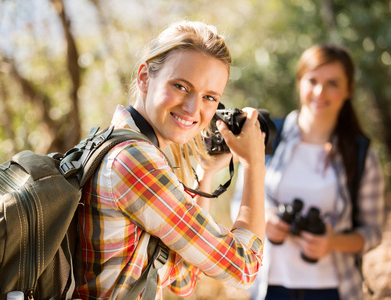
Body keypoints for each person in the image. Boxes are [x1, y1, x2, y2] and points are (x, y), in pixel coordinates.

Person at [73, 20, 267, 299]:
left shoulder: (113, 144)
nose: (193, 109)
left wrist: (207, 173)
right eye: (180, 86)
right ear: (144, 77)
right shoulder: (135, 163)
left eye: (210, 97)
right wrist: (254, 164)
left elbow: (183, 279)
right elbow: (244, 268)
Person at [231, 44, 385, 300]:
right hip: (269, 286)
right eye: (312, 80)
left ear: (348, 90)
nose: (320, 91)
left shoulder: (361, 155)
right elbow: (239, 202)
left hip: (334, 290)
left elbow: (373, 232)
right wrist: (266, 219)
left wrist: (334, 242)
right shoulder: (266, 137)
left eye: (333, 83)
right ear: (299, 82)